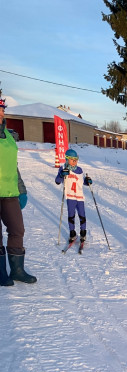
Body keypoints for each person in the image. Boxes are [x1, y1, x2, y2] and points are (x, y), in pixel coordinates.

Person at [0, 97, 37, 286]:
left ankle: (17, 270)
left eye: (2, 109)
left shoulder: (8, 136)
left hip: (9, 192)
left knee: (17, 229)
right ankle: (0, 272)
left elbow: (13, 167)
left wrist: (21, 190)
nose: (0, 113)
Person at [55, 148, 92, 243]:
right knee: (71, 216)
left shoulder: (80, 170)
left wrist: (87, 181)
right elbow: (57, 181)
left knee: (82, 215)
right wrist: (61, 175)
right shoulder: (63, 168)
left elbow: (82, 181)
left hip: (79, 197)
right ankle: (72, 232)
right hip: (70, 196)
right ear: (67, 159)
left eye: (76, 160)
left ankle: (83, 232)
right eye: (72, 160)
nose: (74, 162)